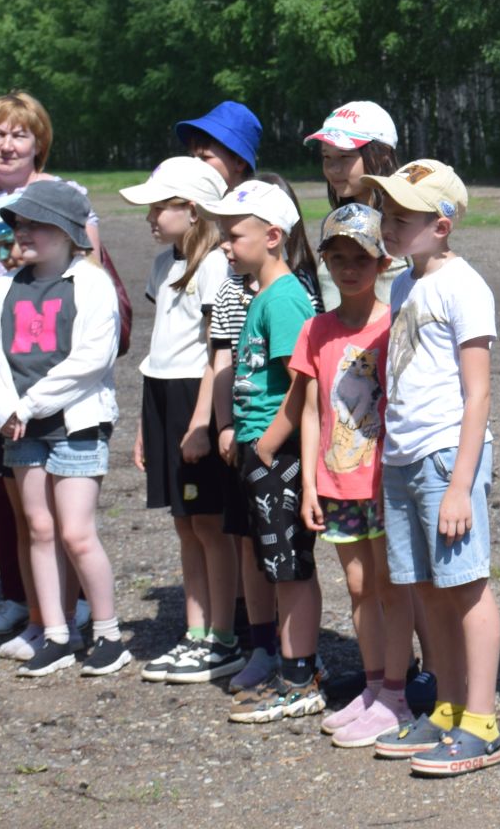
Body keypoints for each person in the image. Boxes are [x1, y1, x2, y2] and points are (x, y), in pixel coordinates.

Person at [0, 90, 103, 641]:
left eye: (19, 135)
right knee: (7, 487)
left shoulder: (68, 194)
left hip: (58, 363)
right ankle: (23, 599)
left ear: (39, 142)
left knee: (67, 488)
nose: (6, 145)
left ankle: (76, 605)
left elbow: (92, 267)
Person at [361, 159, 500, 778]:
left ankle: (482, 721)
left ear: (441, 225)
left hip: (447, 456)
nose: (387, 226)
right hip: (402, 456)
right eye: (386, 214)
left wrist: (459, 486)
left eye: (402, 217)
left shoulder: (464, 285)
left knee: (465, 587)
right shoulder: (401, 284)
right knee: (424, 588)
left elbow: (479, 394)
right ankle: (445, 707)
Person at [0, 179, 131, 678]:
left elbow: (91, 359)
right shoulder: (4, 287)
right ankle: (57, 634)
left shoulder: (91, 282)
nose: (25, 232)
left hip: (75, 424)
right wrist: (3, 412)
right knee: (39, 529)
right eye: (21, 223)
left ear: (66, 231)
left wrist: (31, 404)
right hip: (21, 429)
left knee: (77, 533)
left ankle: (108, 633)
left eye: (37, 224)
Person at [205, 179, 329, 723]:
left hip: (276, 456)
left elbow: (303, 382)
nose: (225, 246)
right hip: (261, 453)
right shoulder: (262, 294)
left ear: (273, 236)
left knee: (290, 568)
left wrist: (266, 447)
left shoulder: (284, 299)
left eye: (234, 235)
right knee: (275, 564)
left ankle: (300, 679)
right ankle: (291, 669)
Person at [120, 157, 246, 685]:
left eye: (159, 206)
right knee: (183, 522)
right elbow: (163, 346)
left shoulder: (217, 267)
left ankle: (223, 635)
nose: (150, 216)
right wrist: (145, 424)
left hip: (198, 400)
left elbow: (213, 355)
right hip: (161, 395)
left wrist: (201, 423)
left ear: (191, 210)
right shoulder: (161, 265)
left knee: (209, 523)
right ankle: (194, 633)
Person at [294, 203, 413, 748]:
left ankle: (397, 690)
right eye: (337, 257)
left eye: (360, 257)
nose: (348, 268)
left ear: (383, 260)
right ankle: (370, 687)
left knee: (390, 587)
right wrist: (311, 484)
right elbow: (312, 410)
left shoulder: (395, 324)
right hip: (337, 483)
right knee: (359, 586)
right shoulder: (316, 330)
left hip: (384, 482)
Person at [307, 100, 408, 308]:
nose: (333, 169)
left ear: (382, 155)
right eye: (327, 157)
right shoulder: (333, 222)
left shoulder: (406, 220)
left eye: (344, 156)